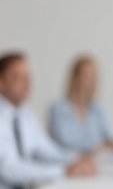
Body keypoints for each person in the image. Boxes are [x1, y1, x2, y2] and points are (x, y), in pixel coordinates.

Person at [0, 52, 95, 189]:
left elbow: (47, 149)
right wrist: (63, 171)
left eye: (28, 76)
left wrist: (78, 159)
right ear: (1, 82)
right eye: (18, 77)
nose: (27, 82)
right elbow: (8, 169)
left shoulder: (25, 114)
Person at [49, 55, 113, 154]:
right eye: (85, 75)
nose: (88, 81)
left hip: (96, 164)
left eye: (92, 77)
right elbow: (64, 143)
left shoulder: (99, 109)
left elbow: (110, 137)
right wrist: (98, 147)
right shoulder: (58, 109)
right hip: (68, 163)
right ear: (74, 77)